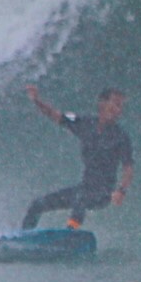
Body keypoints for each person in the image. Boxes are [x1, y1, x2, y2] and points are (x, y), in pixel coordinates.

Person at [21, 85, 134, 230]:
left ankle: (70, 233)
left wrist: (121, 190)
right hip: (84, 188)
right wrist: (37, 100)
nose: (119, 110)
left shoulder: (121, 137)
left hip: (103, 193)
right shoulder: (86, 123)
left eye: (121, 106)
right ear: (102, 103)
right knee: (38, 204)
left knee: (81, 198)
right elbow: (57, 116)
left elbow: (128, 168)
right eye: (116, 104)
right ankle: (24, 237)